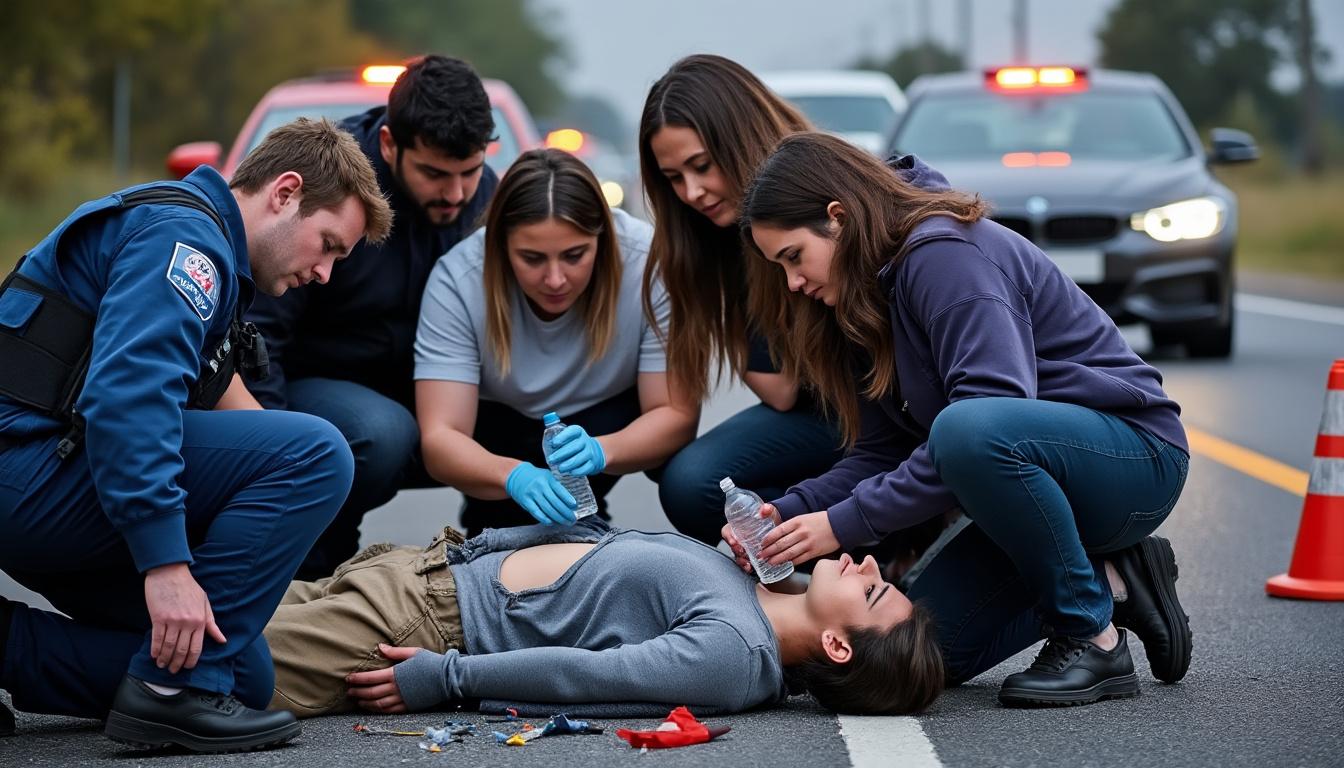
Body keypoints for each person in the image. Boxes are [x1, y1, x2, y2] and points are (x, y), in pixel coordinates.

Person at [732, 132, 1193, 707]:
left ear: (838, 218)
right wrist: (787, 517)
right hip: (1037, 491)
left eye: (793, 257)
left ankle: (1090, 636)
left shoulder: (943, 254)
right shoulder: (860, 297)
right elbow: (881, 453)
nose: (793, 283)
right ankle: (1116, 578)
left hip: (1132, 459)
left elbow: (984, 422)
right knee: (921, 650)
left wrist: (844, 523)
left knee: (966, 428)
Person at [0, 118, 392, 751]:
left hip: (45, 478)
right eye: (327, 245)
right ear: (285, 192)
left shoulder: (208, 250)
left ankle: (13, 649)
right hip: (26, 473)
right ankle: (167, 695)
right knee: (320, 453)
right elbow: (129, 400)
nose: (325, 273)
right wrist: (167, 563)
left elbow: (245, 426)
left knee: (241, 673)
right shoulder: (186, 243)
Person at [0, 519, 945, 719]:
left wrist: (443, 681)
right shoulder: (755, 588)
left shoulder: (735, 658)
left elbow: (593, 678)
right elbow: (601, 548)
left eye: (871, 591)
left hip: (422, 628)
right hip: (416, 572)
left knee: (187, 666)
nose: (867, 565)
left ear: (835, 644)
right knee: (174, 609)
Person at [238, 55, 501, 579]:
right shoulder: (333, 192)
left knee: (537, 412)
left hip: (434, 383)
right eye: (434, 174)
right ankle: (310, 566)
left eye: (469, 172)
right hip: (318, 387)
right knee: (381, 431)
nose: (455, 193)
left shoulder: (485, 198)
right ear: (388, 144)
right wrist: (272, 452)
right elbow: (260, 334)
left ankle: (504, 562)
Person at [415, 148, 698, 534]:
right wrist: (513, 476)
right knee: (501, 535)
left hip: (608, 422)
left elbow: (676, 414)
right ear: (500, 245)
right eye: (532, 258)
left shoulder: (649, 260)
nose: (555, 280)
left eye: (574, 255)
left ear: (602, 238)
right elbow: (440, 437)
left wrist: (602, 450)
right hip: (500, 434)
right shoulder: (458, 277)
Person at [637, 55, 851, 548]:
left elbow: (783, 387)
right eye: (673, 178)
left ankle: (887, 543)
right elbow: (783, 393)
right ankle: (833, 563)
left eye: (701, 166)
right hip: (816, 415)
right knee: (690, 481)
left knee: (697, 480)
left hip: (880, 412)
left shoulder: (817, 195)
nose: (692, 192)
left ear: (741, 138)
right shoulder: (709, 235)